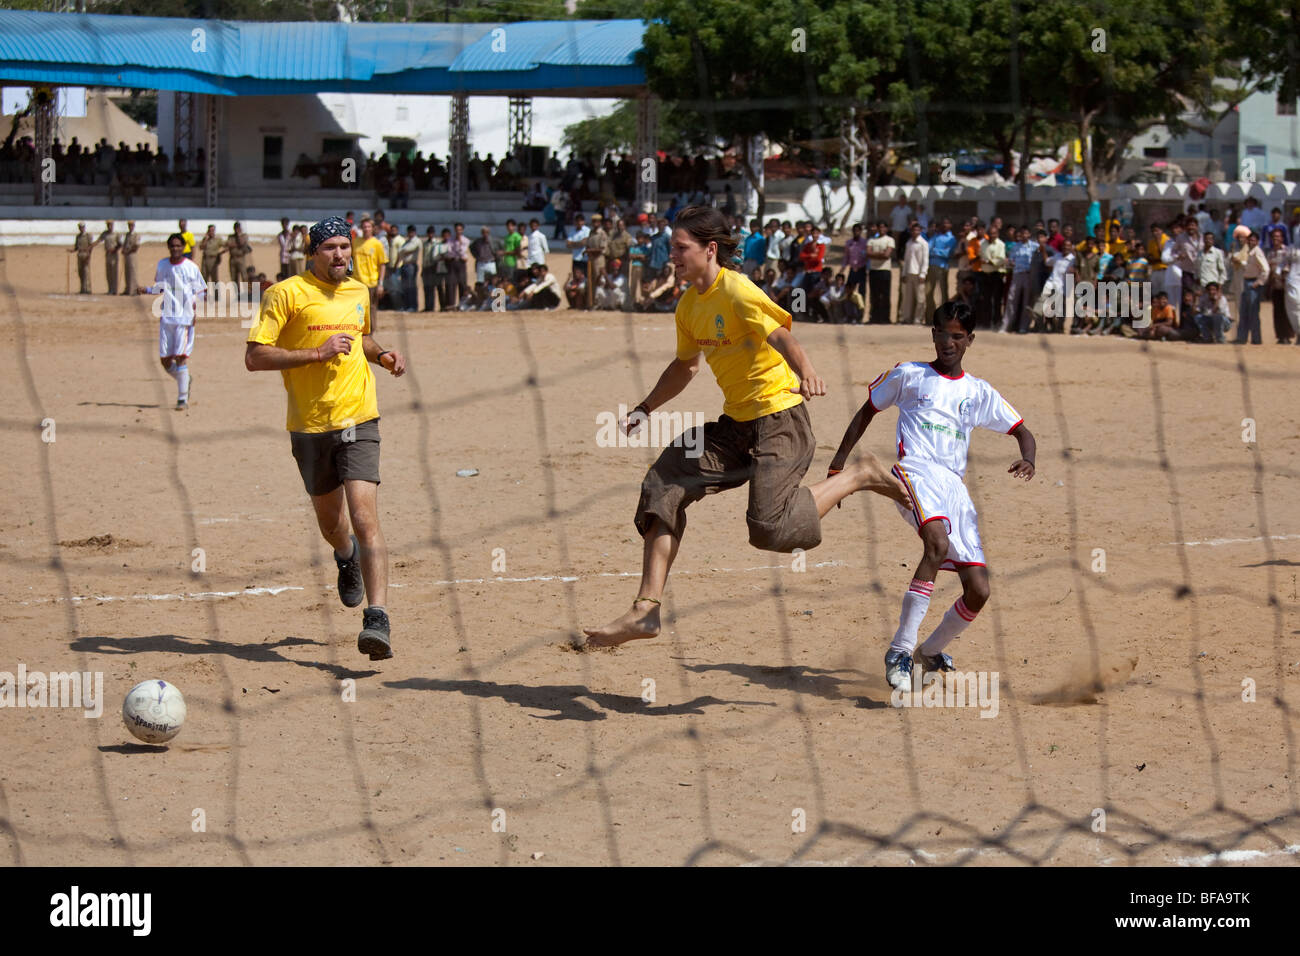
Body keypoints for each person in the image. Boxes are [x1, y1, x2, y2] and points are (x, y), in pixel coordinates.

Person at [580, 205, 909, 647]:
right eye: (673, 248)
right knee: (664, 482)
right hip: (736, 424)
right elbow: (686, 367)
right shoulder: (688, 306)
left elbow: (781, 335)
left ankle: (860, 475)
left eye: (681, 248)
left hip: (780, 420)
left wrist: (806, 370)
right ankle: (646, 610)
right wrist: (645, 408)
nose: (672, 256)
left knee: (769, 530)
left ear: (709, 249)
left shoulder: (737, 291)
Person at [827, 300, 1036, 691]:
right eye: (943, 333)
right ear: (933, 334)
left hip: (954, 488)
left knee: (979, 590)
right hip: (915, 472)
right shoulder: (909, 375)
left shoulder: (978, 392)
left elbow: (1023, 431)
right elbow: (866, 411)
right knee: (935, 543)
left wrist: (1029, 459)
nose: (949, 342)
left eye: (958, 335)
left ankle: (930, 651)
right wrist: (838, 463)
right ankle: (900, 651)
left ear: (970, 340)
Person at [244, 217, 408, 661]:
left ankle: (378, 619)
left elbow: (363, 338)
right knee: (333, 525)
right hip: (310, 425)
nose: (340, 255)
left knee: (364, 514)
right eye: (331, 248)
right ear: (312, 252)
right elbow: (255, 357)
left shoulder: (358, 290)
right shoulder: (285, 294)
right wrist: (316, 353)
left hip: (359, 418)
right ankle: (344, 555)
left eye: (345, 247)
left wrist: (383, 355)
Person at [138, 233, 206, 409]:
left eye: (178, 246)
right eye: (172, 246)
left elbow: (202, 292)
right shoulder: (163, 265)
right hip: (167, 317)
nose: (175, 249)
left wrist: (195, 310)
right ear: (168, 247)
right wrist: (146, 289)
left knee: (181, 357)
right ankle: (185, 379)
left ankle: (182, 399)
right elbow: (160, 287)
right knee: (165, 361)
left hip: (184, 317)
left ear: (183, 247)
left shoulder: (191, 267)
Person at [1233, 232, 1270, 344]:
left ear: (1257, 241)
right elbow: (1249, 266)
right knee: (1244, 311)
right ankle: (1242, 338)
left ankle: (1256, 339)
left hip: (1253, 283)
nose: (1251, 242)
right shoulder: (1249, 252)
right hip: (1247, 282)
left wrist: (1259, 282)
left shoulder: (1257, 252)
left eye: (1253, 240)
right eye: (1249, 240)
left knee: (1253, 313)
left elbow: (1266, 269)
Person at [351, 218, 388, 321]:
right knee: (357, 309)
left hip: (371, 283)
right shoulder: (355, 242)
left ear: (372, 228)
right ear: (361, 228)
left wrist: (381, 283)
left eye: (368, 226)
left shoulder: (377, 244)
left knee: (371, 309)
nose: (366, 229)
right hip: (357, 282)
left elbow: (382, 265)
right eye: (364, 227)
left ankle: (370, 333)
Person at [866, 220, 895, 324]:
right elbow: (868, 254)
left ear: (886, 229)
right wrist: (880, 254)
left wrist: (875, 254)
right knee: (874, 295)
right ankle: (874, 317)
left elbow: (887, 255)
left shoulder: (890, 240)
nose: (882, 229)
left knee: (885, 295)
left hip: (885, 270)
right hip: (874, 270)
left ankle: (885, 318)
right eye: (880, 227)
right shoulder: (871, 240)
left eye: (884, 227)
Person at [899, 222, 929, 324]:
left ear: (920, 231)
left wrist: (923, 273)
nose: (915, 232)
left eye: (917, 230)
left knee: (920, 298)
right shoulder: (909, 243)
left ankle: (918, 318)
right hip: (909, 272)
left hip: (919, 274)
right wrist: (903, 273)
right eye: (913, 230)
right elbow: (906, 260)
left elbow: (925, 260)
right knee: (908, 298)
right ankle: (907, 318)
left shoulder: (923, 243)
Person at [396, 225, 422, 313]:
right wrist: (402, 251)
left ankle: (413, 306)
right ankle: (406, 305)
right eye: (409, 232)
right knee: (405, 287)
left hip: (411, 265)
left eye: (412, 231)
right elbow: (402, 251)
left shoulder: (416, 241)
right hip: (405, 265)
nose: (410, 233)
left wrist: (402, 251)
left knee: (411, 287)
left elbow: (405, 250)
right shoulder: (407, 241)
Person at [94, 220, 122, 295]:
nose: (109, 226)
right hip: (107, 254)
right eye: (108, 225)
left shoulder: (116, 234)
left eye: (111, 225)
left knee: (114, 273)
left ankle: (115, 290)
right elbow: (98, 240)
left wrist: (114, 249)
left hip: (114, 255)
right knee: (108, 273)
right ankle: (110, 289)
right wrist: (90, 246)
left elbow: (120, 244)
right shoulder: (105, 234)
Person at [70, 222, 93, 294]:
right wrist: (72, 251)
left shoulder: (88, 236)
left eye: (82, 227)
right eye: (80, 227)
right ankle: (82, 289)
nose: (81, 228)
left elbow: (91, 246)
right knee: (80, 272)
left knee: (86, 272)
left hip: (86, 254)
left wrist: (89, 255)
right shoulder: (78, 237)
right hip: (79, 255)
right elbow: (76, 247)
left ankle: (88, 289)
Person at [121, 220, 141, 296]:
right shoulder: (127, 235)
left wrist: (127, 251)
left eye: (132, 226)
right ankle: (128, 289)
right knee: (127, 272)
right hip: (127, 255)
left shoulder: (136, 235)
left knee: (133, 272)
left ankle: (134, 290)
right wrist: (123, 250)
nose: (131, 227)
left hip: (132, 255)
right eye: (129, 226)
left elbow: (136, 246)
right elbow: (125, 244)